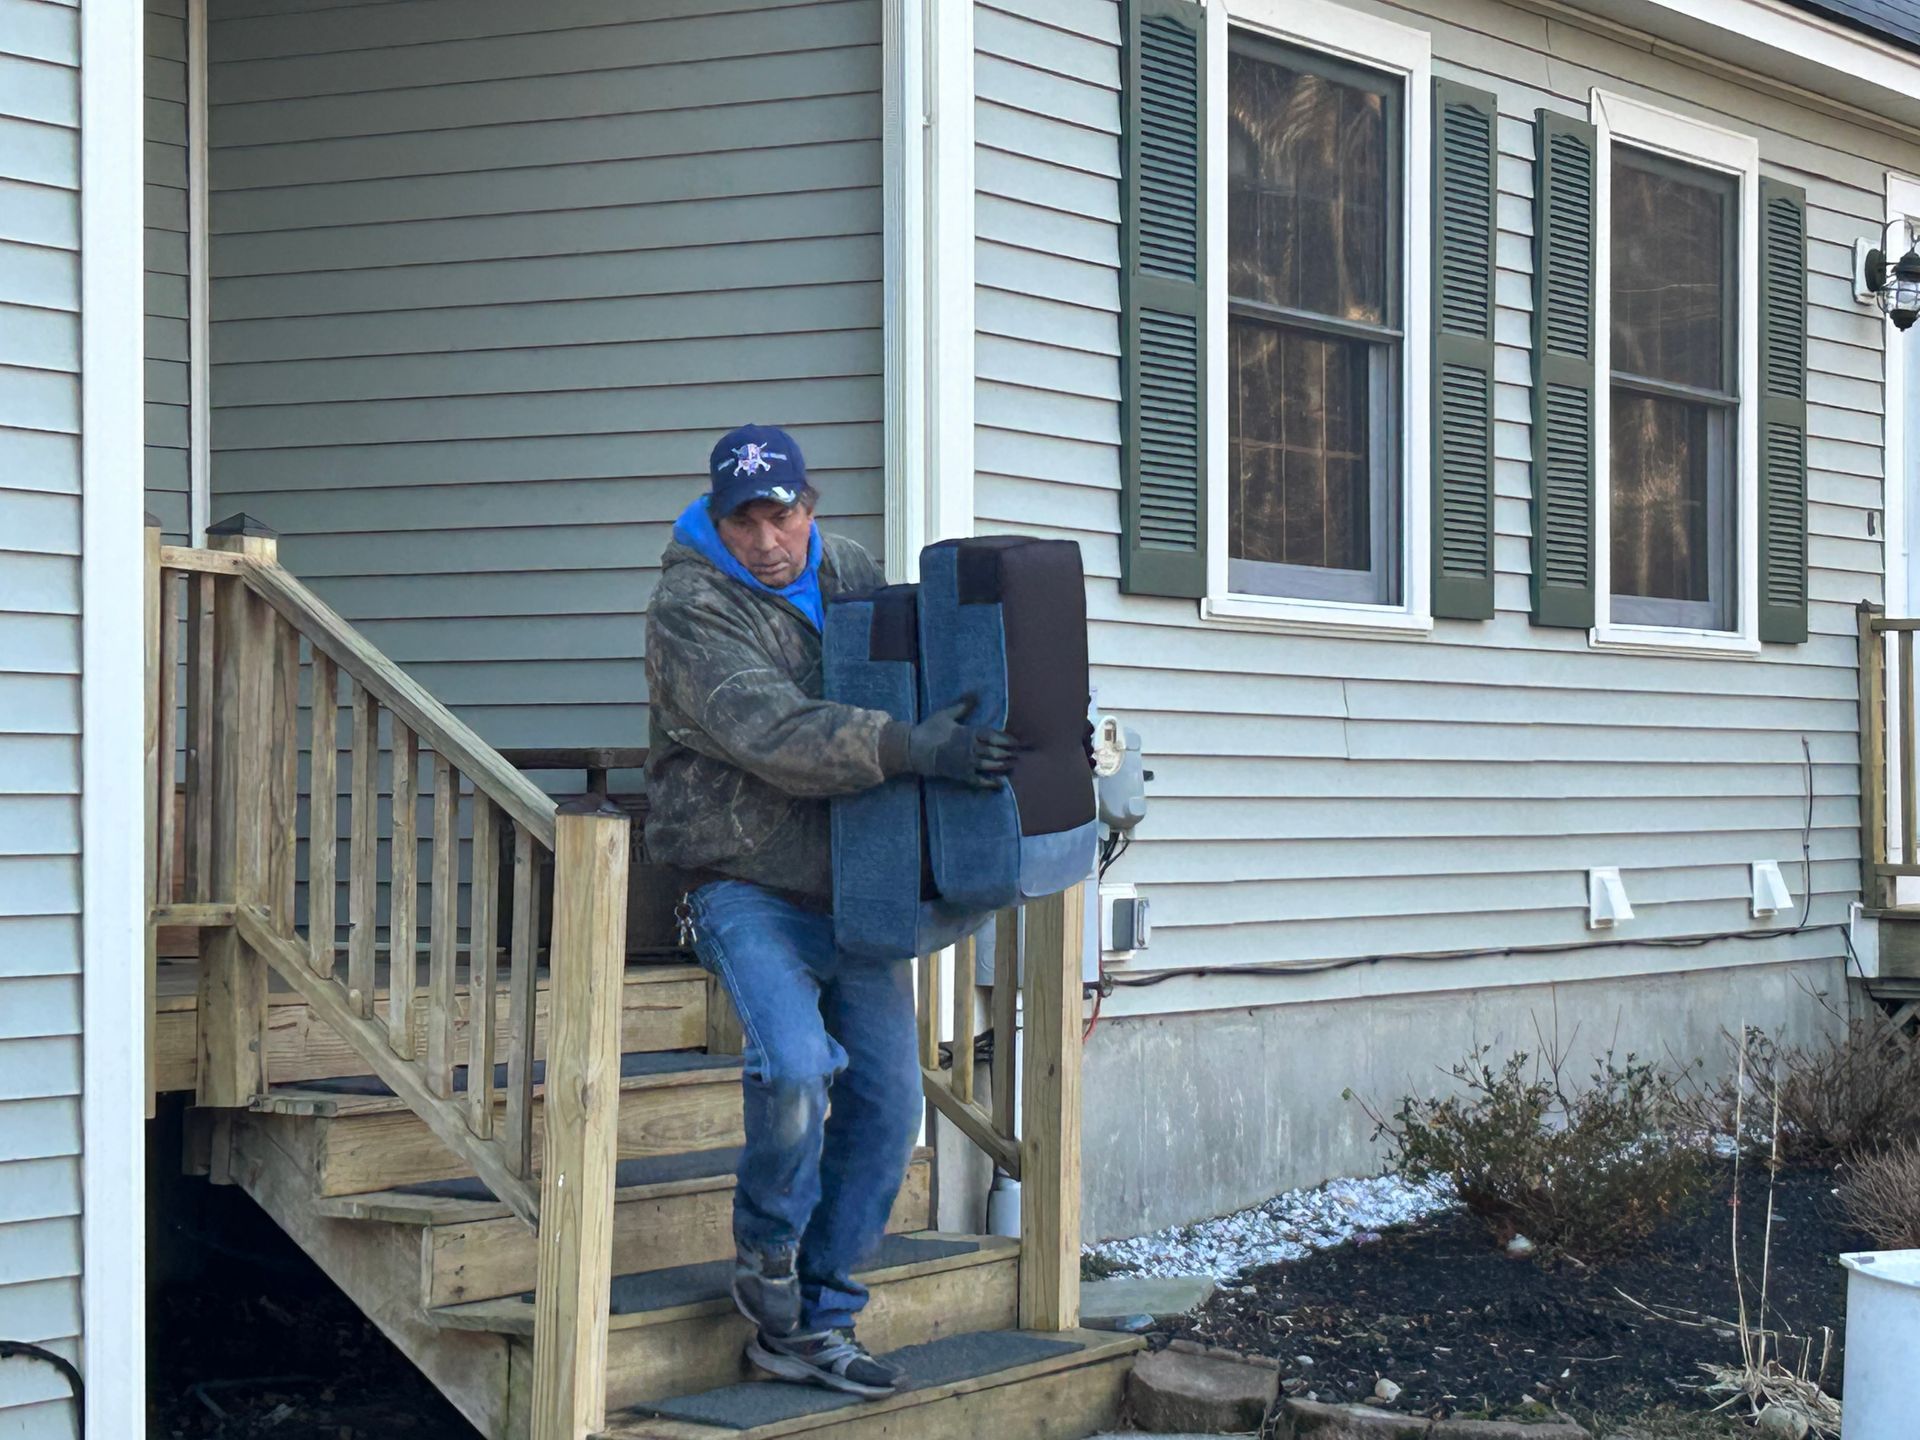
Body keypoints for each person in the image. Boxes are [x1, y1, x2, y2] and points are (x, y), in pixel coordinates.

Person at [643, 424, 1016, 1398]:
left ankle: (818, 1328)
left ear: (813, 505)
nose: (771, 538)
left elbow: (907, 669)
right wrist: (909, 748)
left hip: (859, 880)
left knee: (892, 1106)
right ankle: (768, 1255)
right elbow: (764, 727)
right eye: (747, 519)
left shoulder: (847, 567)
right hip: (743, 882)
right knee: (799, 1068)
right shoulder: (688, 608)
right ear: (719, 519)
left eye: (786, 513)